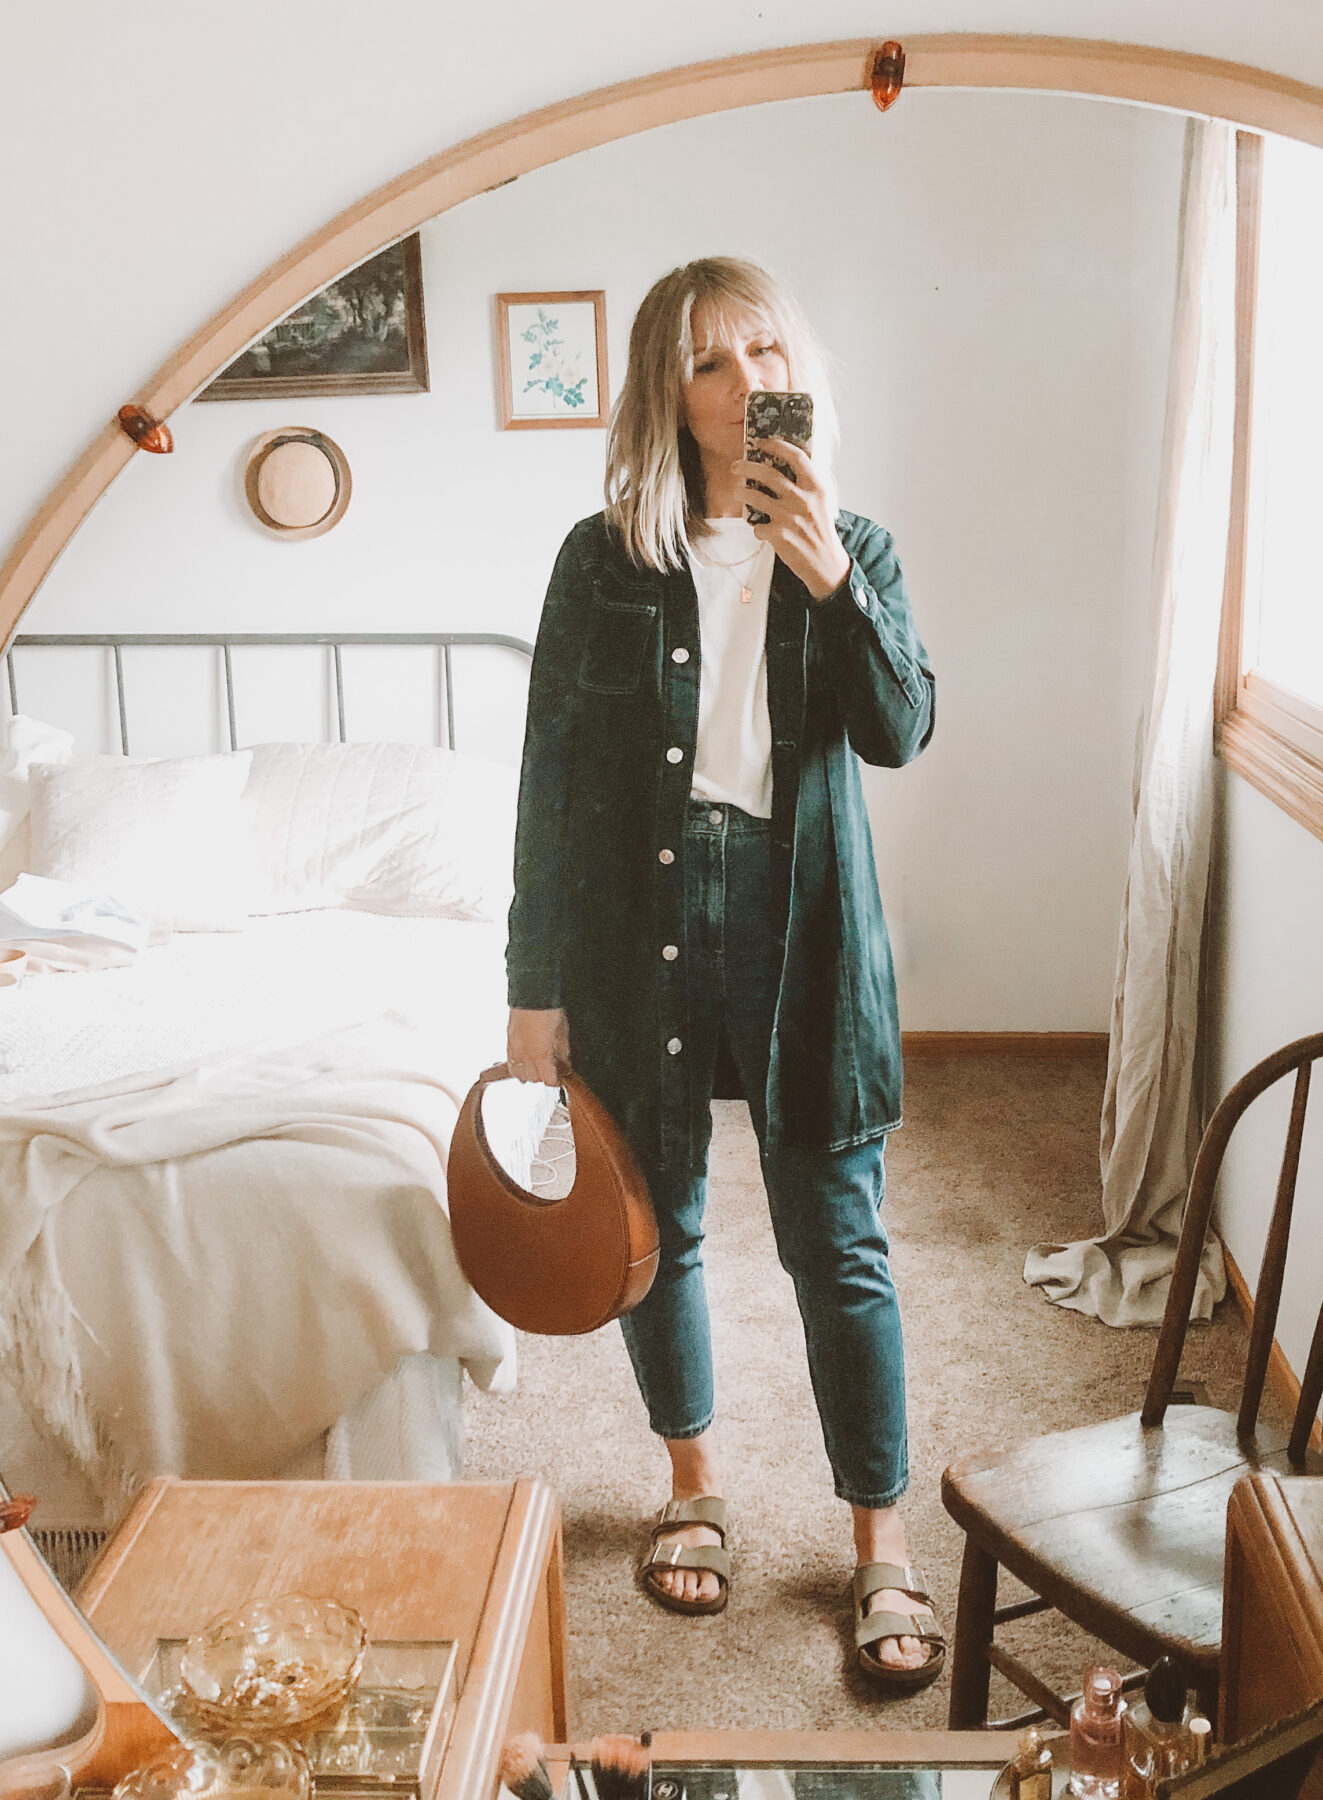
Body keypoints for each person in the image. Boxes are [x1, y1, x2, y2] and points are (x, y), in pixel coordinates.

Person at [505, 257, 941, 1688]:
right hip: (647, 924)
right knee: (663, 1224)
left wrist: (830, 582)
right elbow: (552, 789)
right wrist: (534, 988)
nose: (745, 380)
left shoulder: (854, 542)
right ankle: (693, 1482)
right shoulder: (603, 557)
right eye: (708, 360)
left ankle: (880, 1541)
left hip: (807, 923)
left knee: (840, 1244)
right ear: (666, 391)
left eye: (764, 350)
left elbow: (900, 731)